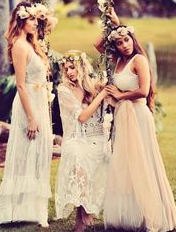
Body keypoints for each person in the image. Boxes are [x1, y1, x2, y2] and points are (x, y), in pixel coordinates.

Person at [95, 22, 176, 231]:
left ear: (133, 39)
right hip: (123, 116)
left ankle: (151, 213)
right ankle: (130, 214)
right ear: (114, 46)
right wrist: (111, 22)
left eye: (126, 40)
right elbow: (98, 44)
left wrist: (120, 95)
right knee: (126, 162)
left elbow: (143, 90)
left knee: (142, 160)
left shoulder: (139, 60)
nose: (124, 45)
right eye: (118, 42)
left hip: (138, 115)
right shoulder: (116, 61)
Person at [0, 1, 55, 227]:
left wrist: (40, 14)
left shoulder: (32, 43)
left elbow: (52, 23)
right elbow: (20, 85)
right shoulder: (19, 45)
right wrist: (31, 117)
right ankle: (16, 209)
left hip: (39, 99)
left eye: (36, 20)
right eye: (31, 19)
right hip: (28, 102)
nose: (36, 23)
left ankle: (35, 210)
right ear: (21, 20)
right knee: (26, 151)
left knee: (40, 152)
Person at [55, 50, 109, 232]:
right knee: (77, 154)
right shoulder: (63, 90)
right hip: (75, 138)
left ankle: (80, 225)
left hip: (96, 138)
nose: (69, 72)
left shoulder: (92, 86)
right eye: (66, 68)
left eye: (72, 67)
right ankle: (86, 207)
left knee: (89, 155)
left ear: (81, 67)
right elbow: (82, 117)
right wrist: (101, 96)